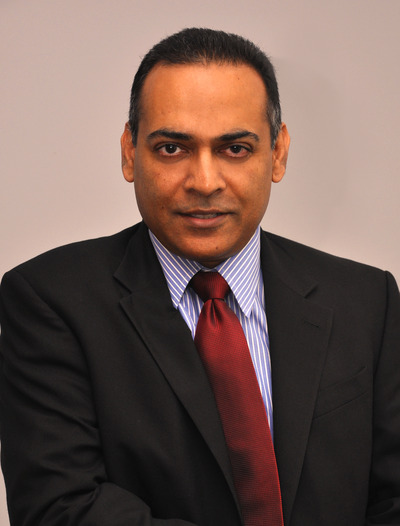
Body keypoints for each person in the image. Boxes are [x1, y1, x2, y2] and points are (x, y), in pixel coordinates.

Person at [0, 27, 399, 526]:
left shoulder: (367, 301)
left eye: (235, 149)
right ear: (129, 152)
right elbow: (62, 507)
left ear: (278, 153)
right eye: (172, 148)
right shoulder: (48, 301)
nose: (204, 182)